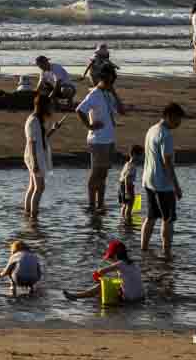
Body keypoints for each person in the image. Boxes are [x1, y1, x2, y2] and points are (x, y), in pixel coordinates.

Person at [138, 103, 186, 258]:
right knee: (168, 218)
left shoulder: (151, 130)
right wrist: (176, 186)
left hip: (148, 180)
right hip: (162, 184)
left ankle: (143, 249)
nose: (179, 123)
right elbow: (167, 163)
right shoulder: (166, 135)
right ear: (169, 116)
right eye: (178, 119)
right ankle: (167, 252)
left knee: (151, 216)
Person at [75, 67, 123, 216]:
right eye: (108, 81)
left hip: (109, 138)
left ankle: (100, 204)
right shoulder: (94, 94)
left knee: (104, 174)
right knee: (96, 173)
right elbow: (79, 110)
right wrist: (90, 126)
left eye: (112, 82)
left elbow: (121, 110)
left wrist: (114, 92)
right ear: (102, 79)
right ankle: (91, 204)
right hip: (98, 140)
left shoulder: (108, 94)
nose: (110, 84)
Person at [22, 90, 69, 220]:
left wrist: (54, 129)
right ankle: (33, 217)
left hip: (37, 156)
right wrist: (35, 163)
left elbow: (43, 139)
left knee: (33, 187)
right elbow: (31, 142)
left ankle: (28, 214)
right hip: (34, 157)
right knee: (39, 187)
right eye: (49, 106)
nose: (51, 108)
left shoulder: (37, 120)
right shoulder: (33, 121)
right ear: (43, 107)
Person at [70, 239, 145, 303]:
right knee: (115, 282)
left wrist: (98, 279)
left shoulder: (120, 264)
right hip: (141, 298)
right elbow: (126, 281)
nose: (111, 261)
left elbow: (100, 272)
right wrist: (112, 281)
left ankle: (77, 296)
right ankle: (80, 296)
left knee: (101, 286)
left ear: (115, 256)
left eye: (110, 258)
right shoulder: (134, 264)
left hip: (129, 300)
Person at [117, 143, 142, 228]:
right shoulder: (132, 166)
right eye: (140, 155)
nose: (141, 158)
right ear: (134, 154)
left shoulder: (127, 164)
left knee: (125, 205)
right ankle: (128, 223)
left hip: (121, 186)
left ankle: (123, 221)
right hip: (127, 187)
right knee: (130, 205)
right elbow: (127, 178)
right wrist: (127, 192)